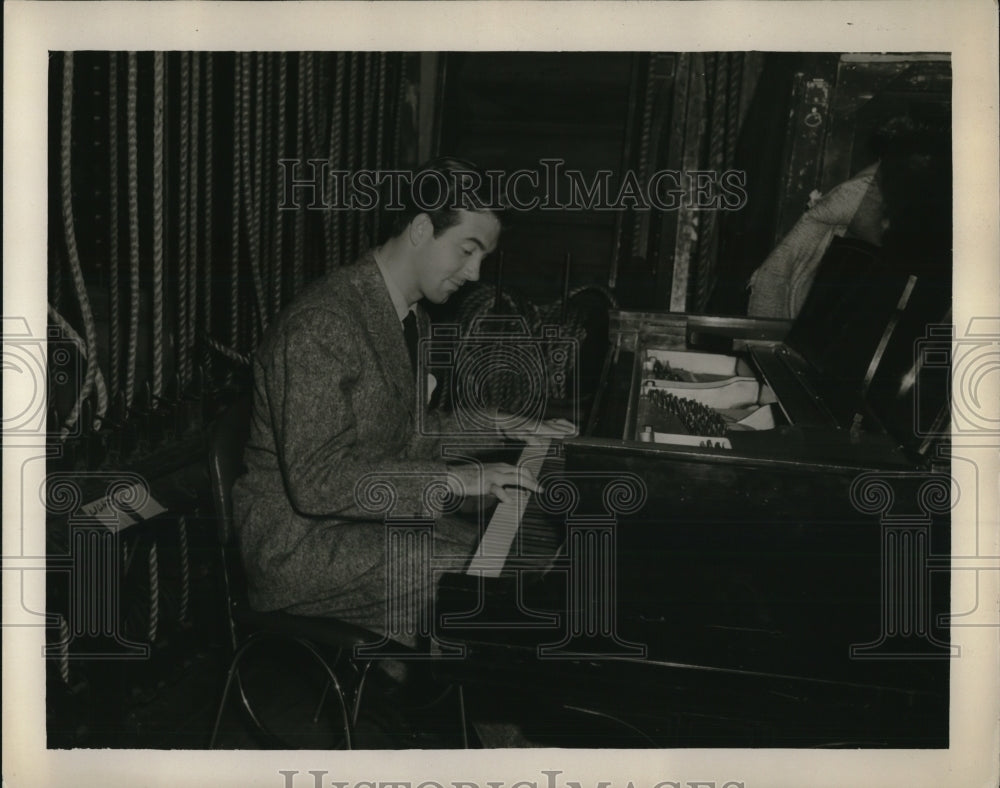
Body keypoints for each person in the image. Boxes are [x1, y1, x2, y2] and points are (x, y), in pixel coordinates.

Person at [232, 157, 572, 652]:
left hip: (354, 524)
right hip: (301, 546)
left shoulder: (408, 314)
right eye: (468, 250)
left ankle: (447, 701)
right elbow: (316, 482)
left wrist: (505, 427)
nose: (475, 274)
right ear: (420, 229)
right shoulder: (323, 322)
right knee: (493, 594)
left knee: (511, 562)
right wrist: (457, 478)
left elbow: (409, 430)